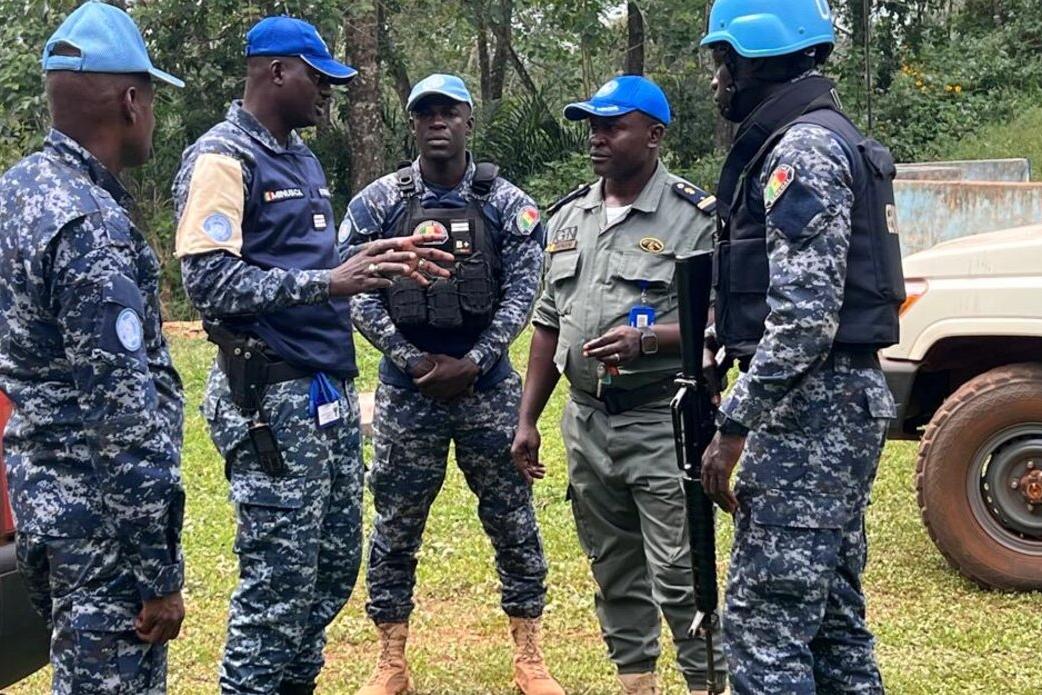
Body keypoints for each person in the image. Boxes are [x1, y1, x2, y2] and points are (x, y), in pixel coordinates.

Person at [172, 18, 451, 695]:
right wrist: (330, 280)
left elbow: (300, 263)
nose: (328, 91)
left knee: (328, 573)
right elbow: (209, 283)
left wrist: (362, 261)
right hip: (268, 397)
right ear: (276, 72)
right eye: (318, 78)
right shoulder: (222, 157)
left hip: (323, 391)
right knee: (277, 587)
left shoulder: (298, 156)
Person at [698, 1, 905, 693]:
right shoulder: (829, 136)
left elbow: (804, 319)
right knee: (833, 621)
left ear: (754, 60)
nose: (717, 82)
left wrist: (734, 421)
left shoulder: (801, 150)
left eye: (722, 63)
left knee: (764, 626)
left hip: (810, 412)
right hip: (838, 404)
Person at [341, 73, 562, 695]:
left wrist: (480, 360)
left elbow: (524, 291)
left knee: (512, 518)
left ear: (468, 121)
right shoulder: (378, 202)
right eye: (426, 113)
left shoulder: (505, 203)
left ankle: (529, 655)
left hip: (487, 388)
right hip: (408, 390)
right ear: (413, 124)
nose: (438, 122)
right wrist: (411, 360)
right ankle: (390, 660)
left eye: (450, 112)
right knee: (395, 523)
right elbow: (357, 291)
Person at [511, 75, 728, 695]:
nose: (597, 138)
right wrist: (528, 419)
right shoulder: (569, 216)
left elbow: (724, 318)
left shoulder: (693, 220)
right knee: (613, 568)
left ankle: (706, 684)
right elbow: (549, 324)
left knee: (682, 571)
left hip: (662, 418)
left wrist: (651, 339)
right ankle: (637, 683)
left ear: (655, 136)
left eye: (613, 126)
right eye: (592, 126)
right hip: (586, 421)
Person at [0, 3, 186, 693]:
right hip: (102, 532)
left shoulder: (18, 193)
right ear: (131, 101)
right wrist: (158, 574)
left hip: (44, 508)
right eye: (155, 97)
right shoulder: (87, 226)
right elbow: (121, 418)